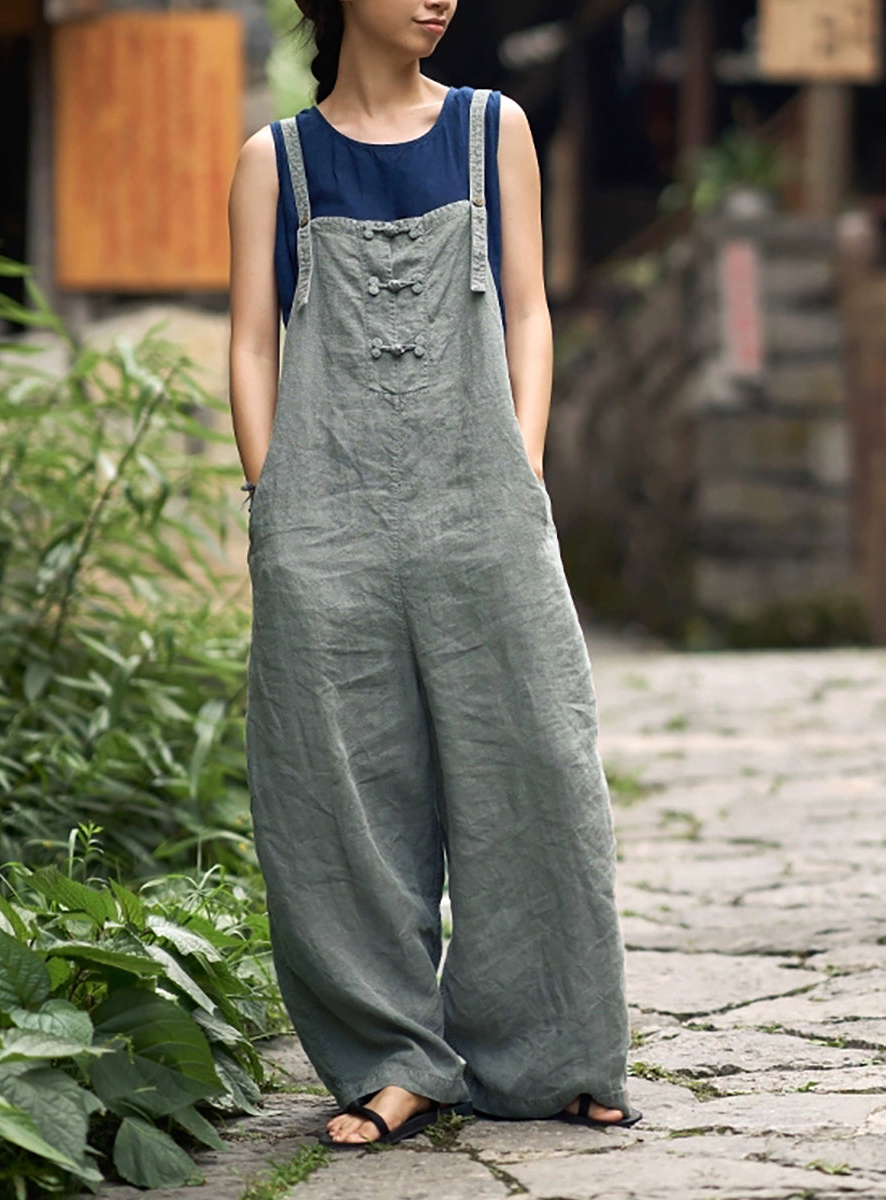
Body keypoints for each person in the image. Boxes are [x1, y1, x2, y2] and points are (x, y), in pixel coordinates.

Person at [226, 0, 642, 1148]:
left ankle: (554, 1053)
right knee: (341, 799)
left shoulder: (490, 129)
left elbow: (529, 310)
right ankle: (394, 1060)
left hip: (485, 501)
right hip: (323, 520)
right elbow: (252, 341)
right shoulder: (276, 162)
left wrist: (522, 464)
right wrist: (273, 500)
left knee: (538, 769)